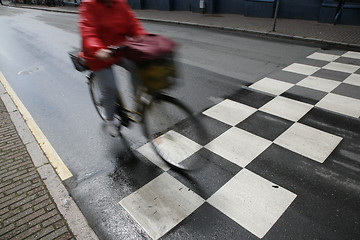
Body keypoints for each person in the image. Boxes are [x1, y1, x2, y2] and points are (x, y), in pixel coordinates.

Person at [78, 0, 148, 137]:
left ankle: (137, 101)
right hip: (98, 56)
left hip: (118, 49)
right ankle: (109, 121)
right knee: (110, 87)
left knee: (137, 65)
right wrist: (97, 49)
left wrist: (143, 38)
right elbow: (88, 32)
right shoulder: (89, 5)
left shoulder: (119, 3)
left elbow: (132, 24)